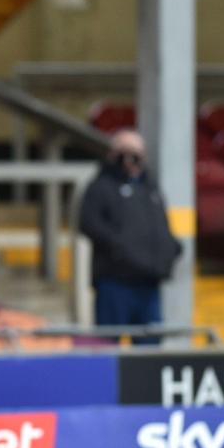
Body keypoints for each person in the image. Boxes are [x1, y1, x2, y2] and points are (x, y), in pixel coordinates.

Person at [78, 129, 182, 344]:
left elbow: (161, 226)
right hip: (115, 283)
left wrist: (172, 247)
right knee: (108, 348)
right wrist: (121, 248)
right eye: (126, 153)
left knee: (150, 352)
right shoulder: (100, 187)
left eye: (137, 154)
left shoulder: (150, 189)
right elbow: (89, 224)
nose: (132, 160)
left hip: (149, 283)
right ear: (113, 155)